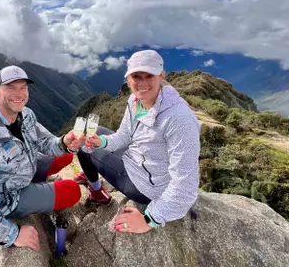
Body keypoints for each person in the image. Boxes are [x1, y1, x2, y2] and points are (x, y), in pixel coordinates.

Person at [0, 65, 83, 251]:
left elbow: (45, 142)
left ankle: (37, 184)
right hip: (7, 197)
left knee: (65, 156)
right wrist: (12, 234)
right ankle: (34, 193)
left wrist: (64, 142)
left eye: (23, 87)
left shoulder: (25, 114)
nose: (18, 93)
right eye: (11, 87)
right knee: (72, 191)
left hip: (22, 166)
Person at [74, 50, 200, 233]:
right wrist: (100, 142)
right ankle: (93, 175)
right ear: (128, 79)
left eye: (149, 76)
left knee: (83, 148)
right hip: (140, 160)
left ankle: (96, 192)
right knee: (93, 136)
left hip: (147, 186)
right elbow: (124, 136)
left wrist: (150, 220)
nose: (141, 83)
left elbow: (186, 186)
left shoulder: (179, 120)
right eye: (136, 76)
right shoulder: (135, 101)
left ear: (162, 76)